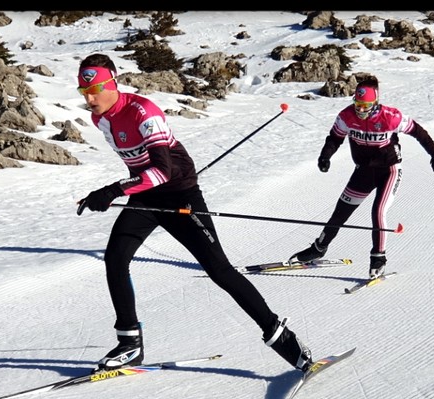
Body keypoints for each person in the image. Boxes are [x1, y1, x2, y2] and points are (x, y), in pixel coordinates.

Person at [74, 53, 313, 373]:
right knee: (116, 258)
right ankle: (130, 343)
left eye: (95, 89)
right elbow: (139, 167)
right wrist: (116, 190)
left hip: (179, 195)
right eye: (83, 91)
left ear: (112, 82)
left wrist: (115, 190)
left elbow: (162, 171)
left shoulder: (145, 113)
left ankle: (282, 337)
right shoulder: (100, 118)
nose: (89, 98)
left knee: (219, 270)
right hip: (146, 196)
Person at [289, 77, 434, 279]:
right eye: (358, 104)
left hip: (389, 170)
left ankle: (378, 257)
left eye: (366, 106)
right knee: (340, 213)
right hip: (363, 171)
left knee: (378, 211)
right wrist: (325, 156)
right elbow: (335, 138)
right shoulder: (346, 116)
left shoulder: (391, 116)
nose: (361, 110)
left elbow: (418, 131)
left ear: (376, 103)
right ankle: (319, 248)